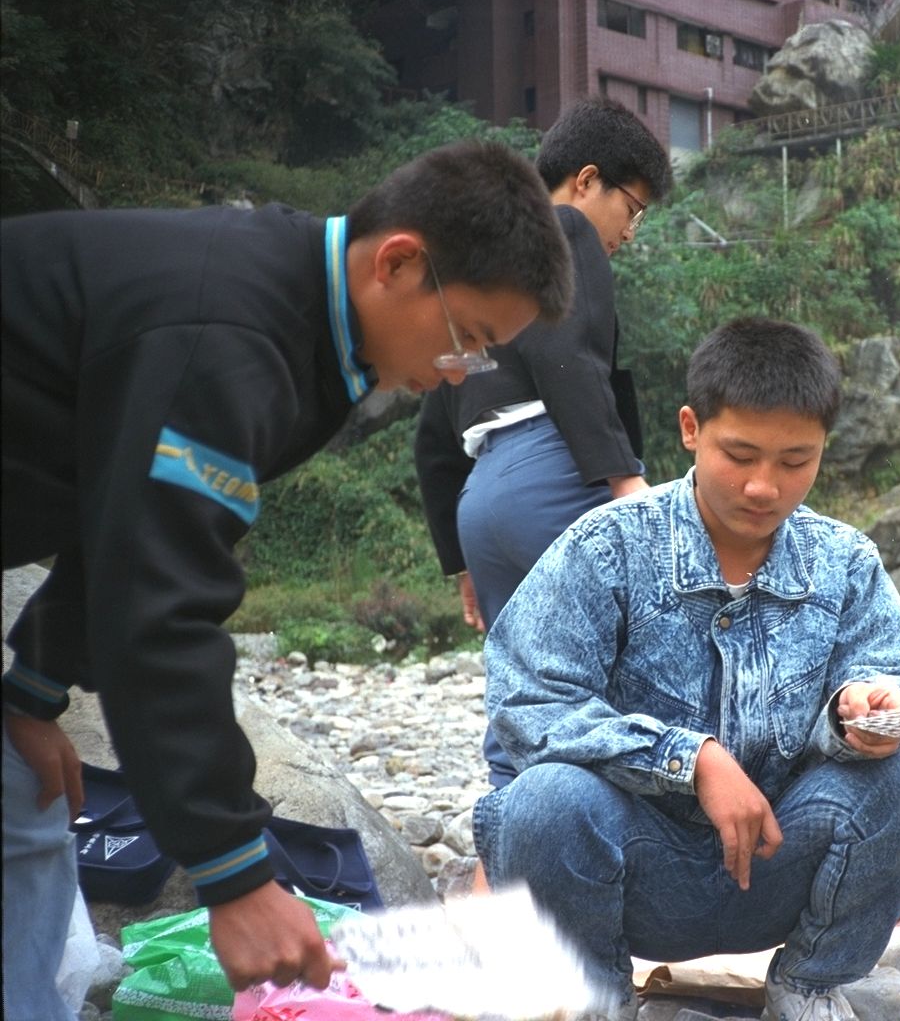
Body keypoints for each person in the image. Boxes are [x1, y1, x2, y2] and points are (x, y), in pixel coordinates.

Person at [1, 139, 573, 1020]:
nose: (459, 372)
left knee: (20, 799)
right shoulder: (226, 334)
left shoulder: (311, 341)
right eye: (470, 338)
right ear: (399, 262)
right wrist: (235, 873)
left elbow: (121, 525)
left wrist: (31, 698)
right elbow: (161, 604)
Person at [472, 318, 900, 1021]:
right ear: (690, 428)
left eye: (794, 461)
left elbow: (896, 681)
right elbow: (530, 705)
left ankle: (806, 987)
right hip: (629, 869)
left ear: (823, 450)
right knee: (540, 804)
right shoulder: (607, 547)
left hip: (784, 866)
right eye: (739, 455)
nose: (762, 487)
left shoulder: (845, 562)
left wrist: (864, 711)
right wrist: (693, 761)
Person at [413, 96, 671, 789]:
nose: (632, 231)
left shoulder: (471, 274)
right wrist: (624, 482)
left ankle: (508, 848)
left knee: (521, 691)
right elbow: (568, 360)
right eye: (633, 207)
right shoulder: (565, 231)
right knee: (635, 665)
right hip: (556, 468)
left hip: (483, 500)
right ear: (586, 181)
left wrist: (460, 560)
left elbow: (432, 435)